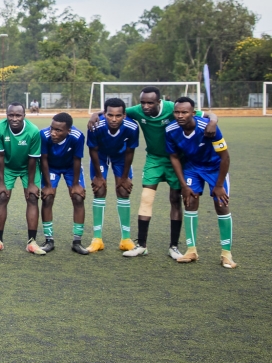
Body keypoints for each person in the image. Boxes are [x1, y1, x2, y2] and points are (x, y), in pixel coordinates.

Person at [97, 87, 217, 260]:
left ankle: (174, 247)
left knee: (175, 200)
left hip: (176, 159)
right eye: (143, 102)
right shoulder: (137, 110)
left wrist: (213, 121)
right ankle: (141, 246)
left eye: (150, 103)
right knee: (146, 198)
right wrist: (95, 116)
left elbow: (207, 114)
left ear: (159, 102)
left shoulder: (173, 109)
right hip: (153, 158)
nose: (146, 106)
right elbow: (114, 111)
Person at [165, 97, 236, 268]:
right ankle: (191, 250)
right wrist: (184, 185)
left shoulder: (208, 127)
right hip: (192, 168)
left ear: (193, 113)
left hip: (215, 168)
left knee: (221, 204)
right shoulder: (170, 130)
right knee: (190, 202)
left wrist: (219, 186)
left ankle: (226, 254)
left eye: (184, 112)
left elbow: (225, 157)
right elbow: (174, 157)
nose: (180, 115)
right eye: (177, 112)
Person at [0, 103, 43, 255]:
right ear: (6, 115)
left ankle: (32, 242)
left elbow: (33, 159)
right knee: (2, 197)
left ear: (24, 115)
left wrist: (31, 184)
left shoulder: (33, 131)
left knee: (32, 197)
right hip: (7, 167)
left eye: (18, 115)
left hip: (27, 167)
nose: (14, 118)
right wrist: (1, 183)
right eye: (10, 115)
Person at [86, 98, 139, 253]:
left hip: (121, 157)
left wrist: (124, 177)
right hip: (101, 156)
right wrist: (98, 176)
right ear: (105, 114)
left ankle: (126, 239)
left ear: (124, 115)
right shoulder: (95, 125)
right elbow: (93, 150)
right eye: (110, 115)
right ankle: (97, 239)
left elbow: (130, 151)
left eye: (118, 115)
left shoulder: (132, 127)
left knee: (123, 190)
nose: (114, 119)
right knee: (99, 190)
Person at [39, 113, 89, 255]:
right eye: (52, 128)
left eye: (58, 130)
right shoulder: (43, 135)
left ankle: (77, 242)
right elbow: (43, 159)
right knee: (47, 198)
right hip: (51, 167)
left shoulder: (77, 136)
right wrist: (48, 186)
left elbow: (77, 159)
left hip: (71, 167)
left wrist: (75, 185)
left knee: (78, 198)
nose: (53, 133)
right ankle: (49, 240)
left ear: (68, 130)